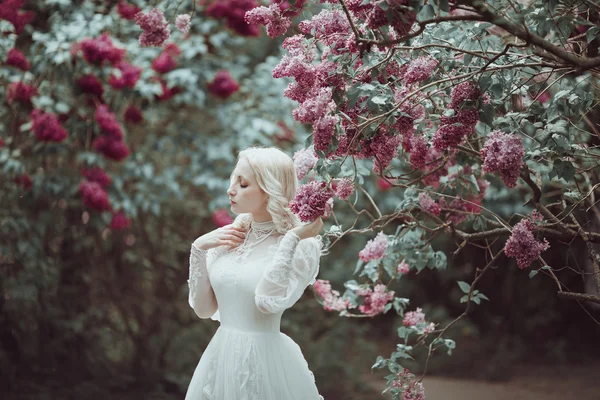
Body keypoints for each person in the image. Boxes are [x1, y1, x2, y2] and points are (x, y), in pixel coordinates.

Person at [185, 146, 325, 400]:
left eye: (243, 184)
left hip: (265, 364)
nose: (231, 190)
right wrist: (199, 248)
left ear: (268, 191)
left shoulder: (301, 246)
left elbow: (267, 302)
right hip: (220, 359)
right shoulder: (231, 236)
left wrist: (291, 239)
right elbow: (204, 310)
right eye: (233, 180)